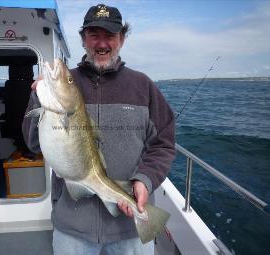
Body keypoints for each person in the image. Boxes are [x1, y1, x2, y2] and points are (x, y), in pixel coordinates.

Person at [22, 3, 176, 255]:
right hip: (72, 228)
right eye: (94, 35)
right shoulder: (63, 84)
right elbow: (34, 144)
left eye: (110, 36)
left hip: (130, 229)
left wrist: (145, 181)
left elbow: (164, 144)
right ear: (83, 39)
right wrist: (39, 99)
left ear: (122, 39)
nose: (101, 43)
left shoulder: (143, 86)